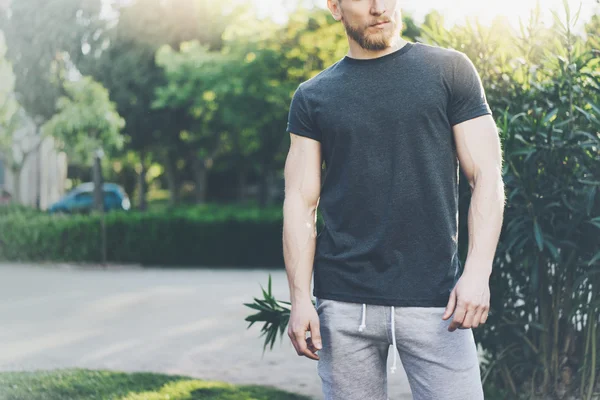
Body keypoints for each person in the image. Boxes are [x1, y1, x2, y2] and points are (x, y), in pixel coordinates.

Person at [282, 0, 505, 399]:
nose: (378, 7)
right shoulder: (313, 96)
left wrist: (477, 273)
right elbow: (300, 203)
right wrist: (300, 300)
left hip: (439, 303)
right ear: (334, 7)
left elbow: (486, 175)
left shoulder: (449, 71)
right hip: (345, 304)